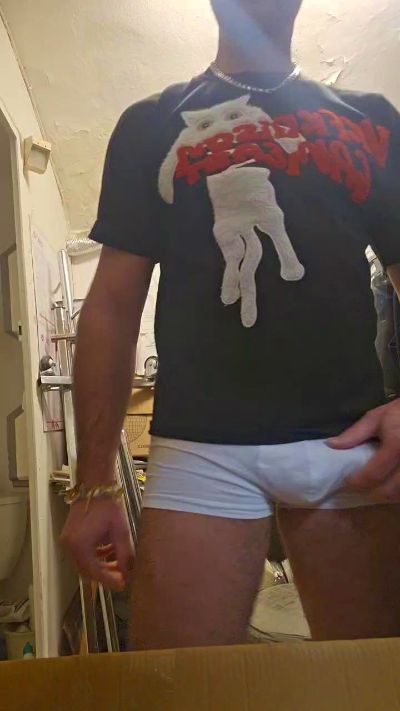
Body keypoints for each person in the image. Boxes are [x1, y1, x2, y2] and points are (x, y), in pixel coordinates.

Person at [61, 0, 400, 649]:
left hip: (348, 444)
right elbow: (111, 307)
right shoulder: (151, 124)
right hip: (200, 447)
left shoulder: (372, 120)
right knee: (176, 686)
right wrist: (95, 482)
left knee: (371, 681)